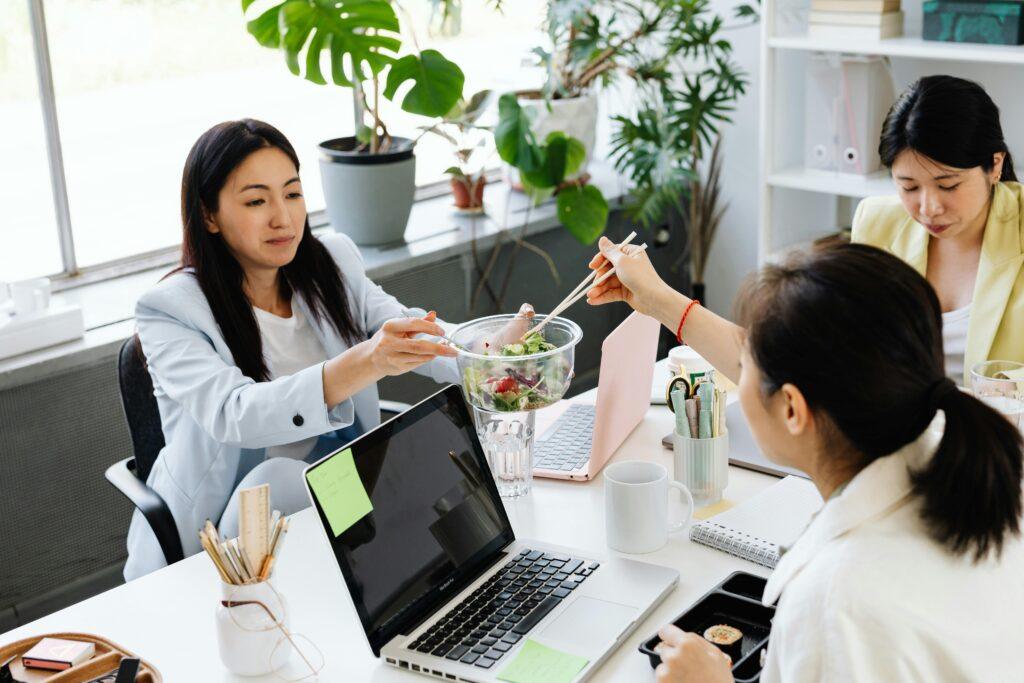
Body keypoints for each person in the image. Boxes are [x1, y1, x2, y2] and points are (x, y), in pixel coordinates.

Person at [586, 240, 1023, 680]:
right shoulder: (964, 451)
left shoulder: (832, 604)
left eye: (750, 361)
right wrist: (659, 299)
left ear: (793, 409)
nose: (739, 368)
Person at [125, 119, 530, 580]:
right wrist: (365, 362)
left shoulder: (330, 261)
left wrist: (484, 349)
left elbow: (401, 329)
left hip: (340, 490)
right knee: (275, 479)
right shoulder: (171, 309)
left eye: (293, 194)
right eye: (257, 201)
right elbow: (235, 413)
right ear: (209, 215)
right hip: (227, 526)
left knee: (439, 454)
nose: (283, 217)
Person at [853, 75, 1024, 385]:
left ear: (995, 165)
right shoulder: (876, 223)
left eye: (948, 185)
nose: (928, 207)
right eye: (909, 187)